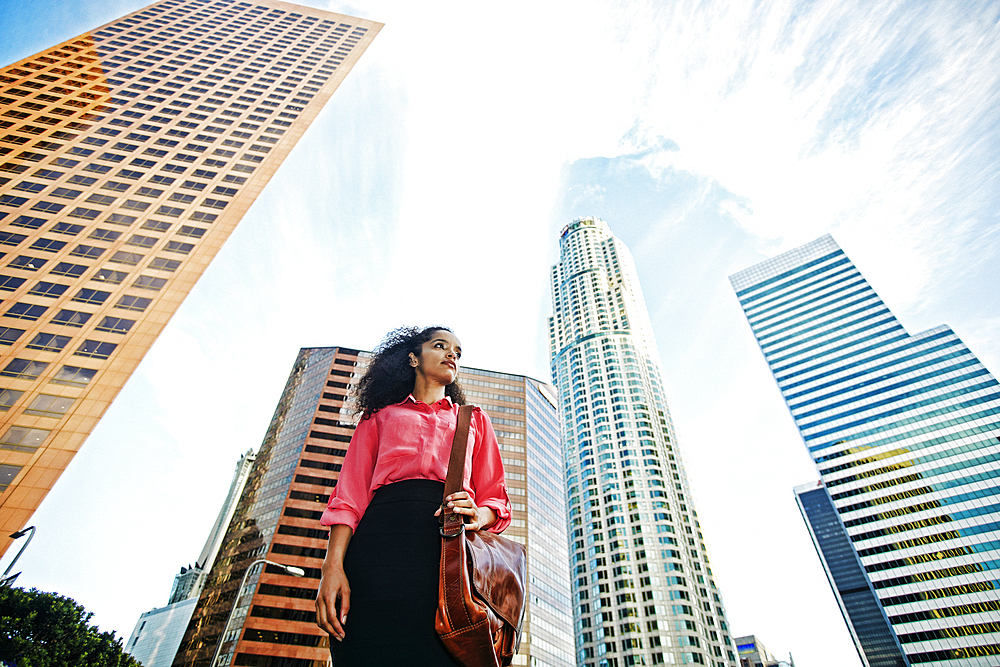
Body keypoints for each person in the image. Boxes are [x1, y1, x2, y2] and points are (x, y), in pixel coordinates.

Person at [315, 326, 512, 666]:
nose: (452, 354)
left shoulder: (474, 421)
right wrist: (331, 568)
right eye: (440, 345)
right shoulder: (379, 416)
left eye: (458, 352)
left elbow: (497, 501)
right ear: (412, 357)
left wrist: (478, 515)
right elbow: (348, 497)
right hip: (373, 553)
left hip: (445, 556)